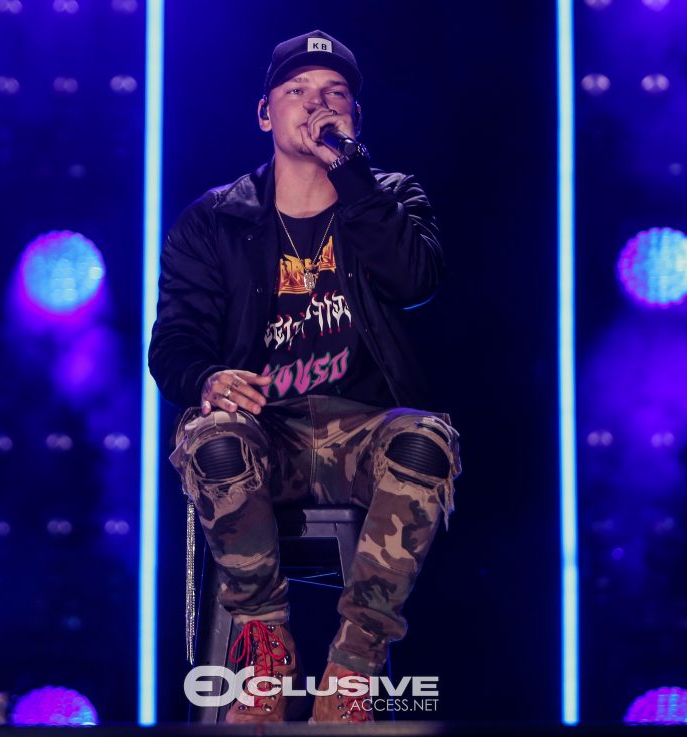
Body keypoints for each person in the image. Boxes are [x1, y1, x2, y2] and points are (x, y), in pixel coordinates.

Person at [149, 29, 461, 724]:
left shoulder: (391, 197)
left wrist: (352, 175)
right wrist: (209, 378)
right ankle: (263, 651)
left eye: (334, 94)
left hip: (362, 429)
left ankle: (353, 669)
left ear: (355, 118)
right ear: (265, 113)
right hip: (267, 432)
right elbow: (172, 342)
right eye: (298, 91)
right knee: (214, 439)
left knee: (426, 441)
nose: (317, 104)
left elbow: (416, 279)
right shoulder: (213, 221)